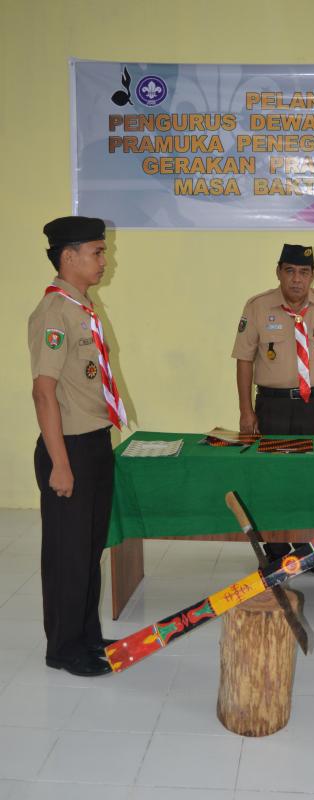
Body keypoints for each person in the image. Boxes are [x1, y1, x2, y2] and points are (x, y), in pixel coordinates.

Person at [28, 216, 127, 677]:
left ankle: (86, 635)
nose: (103, 260)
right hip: (67, 447)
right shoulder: (55, 313)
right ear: (68, 256)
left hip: (93, 442)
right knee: (67, 553)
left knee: (89, 549)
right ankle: (64, 649)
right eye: (97, 251)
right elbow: (43, 392)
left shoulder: (83, 307)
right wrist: (60, 465)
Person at [231, 243, 314, 574]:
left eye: (303, 272)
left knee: (312, 476)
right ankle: (275, 547)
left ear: (313, 275)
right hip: (271, 404)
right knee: (271, 475)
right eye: (290, 271)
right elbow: (244, 360)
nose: (297, 280)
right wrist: (246, 410)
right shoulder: (257, 307)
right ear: (279, 272)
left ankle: (309, 548)